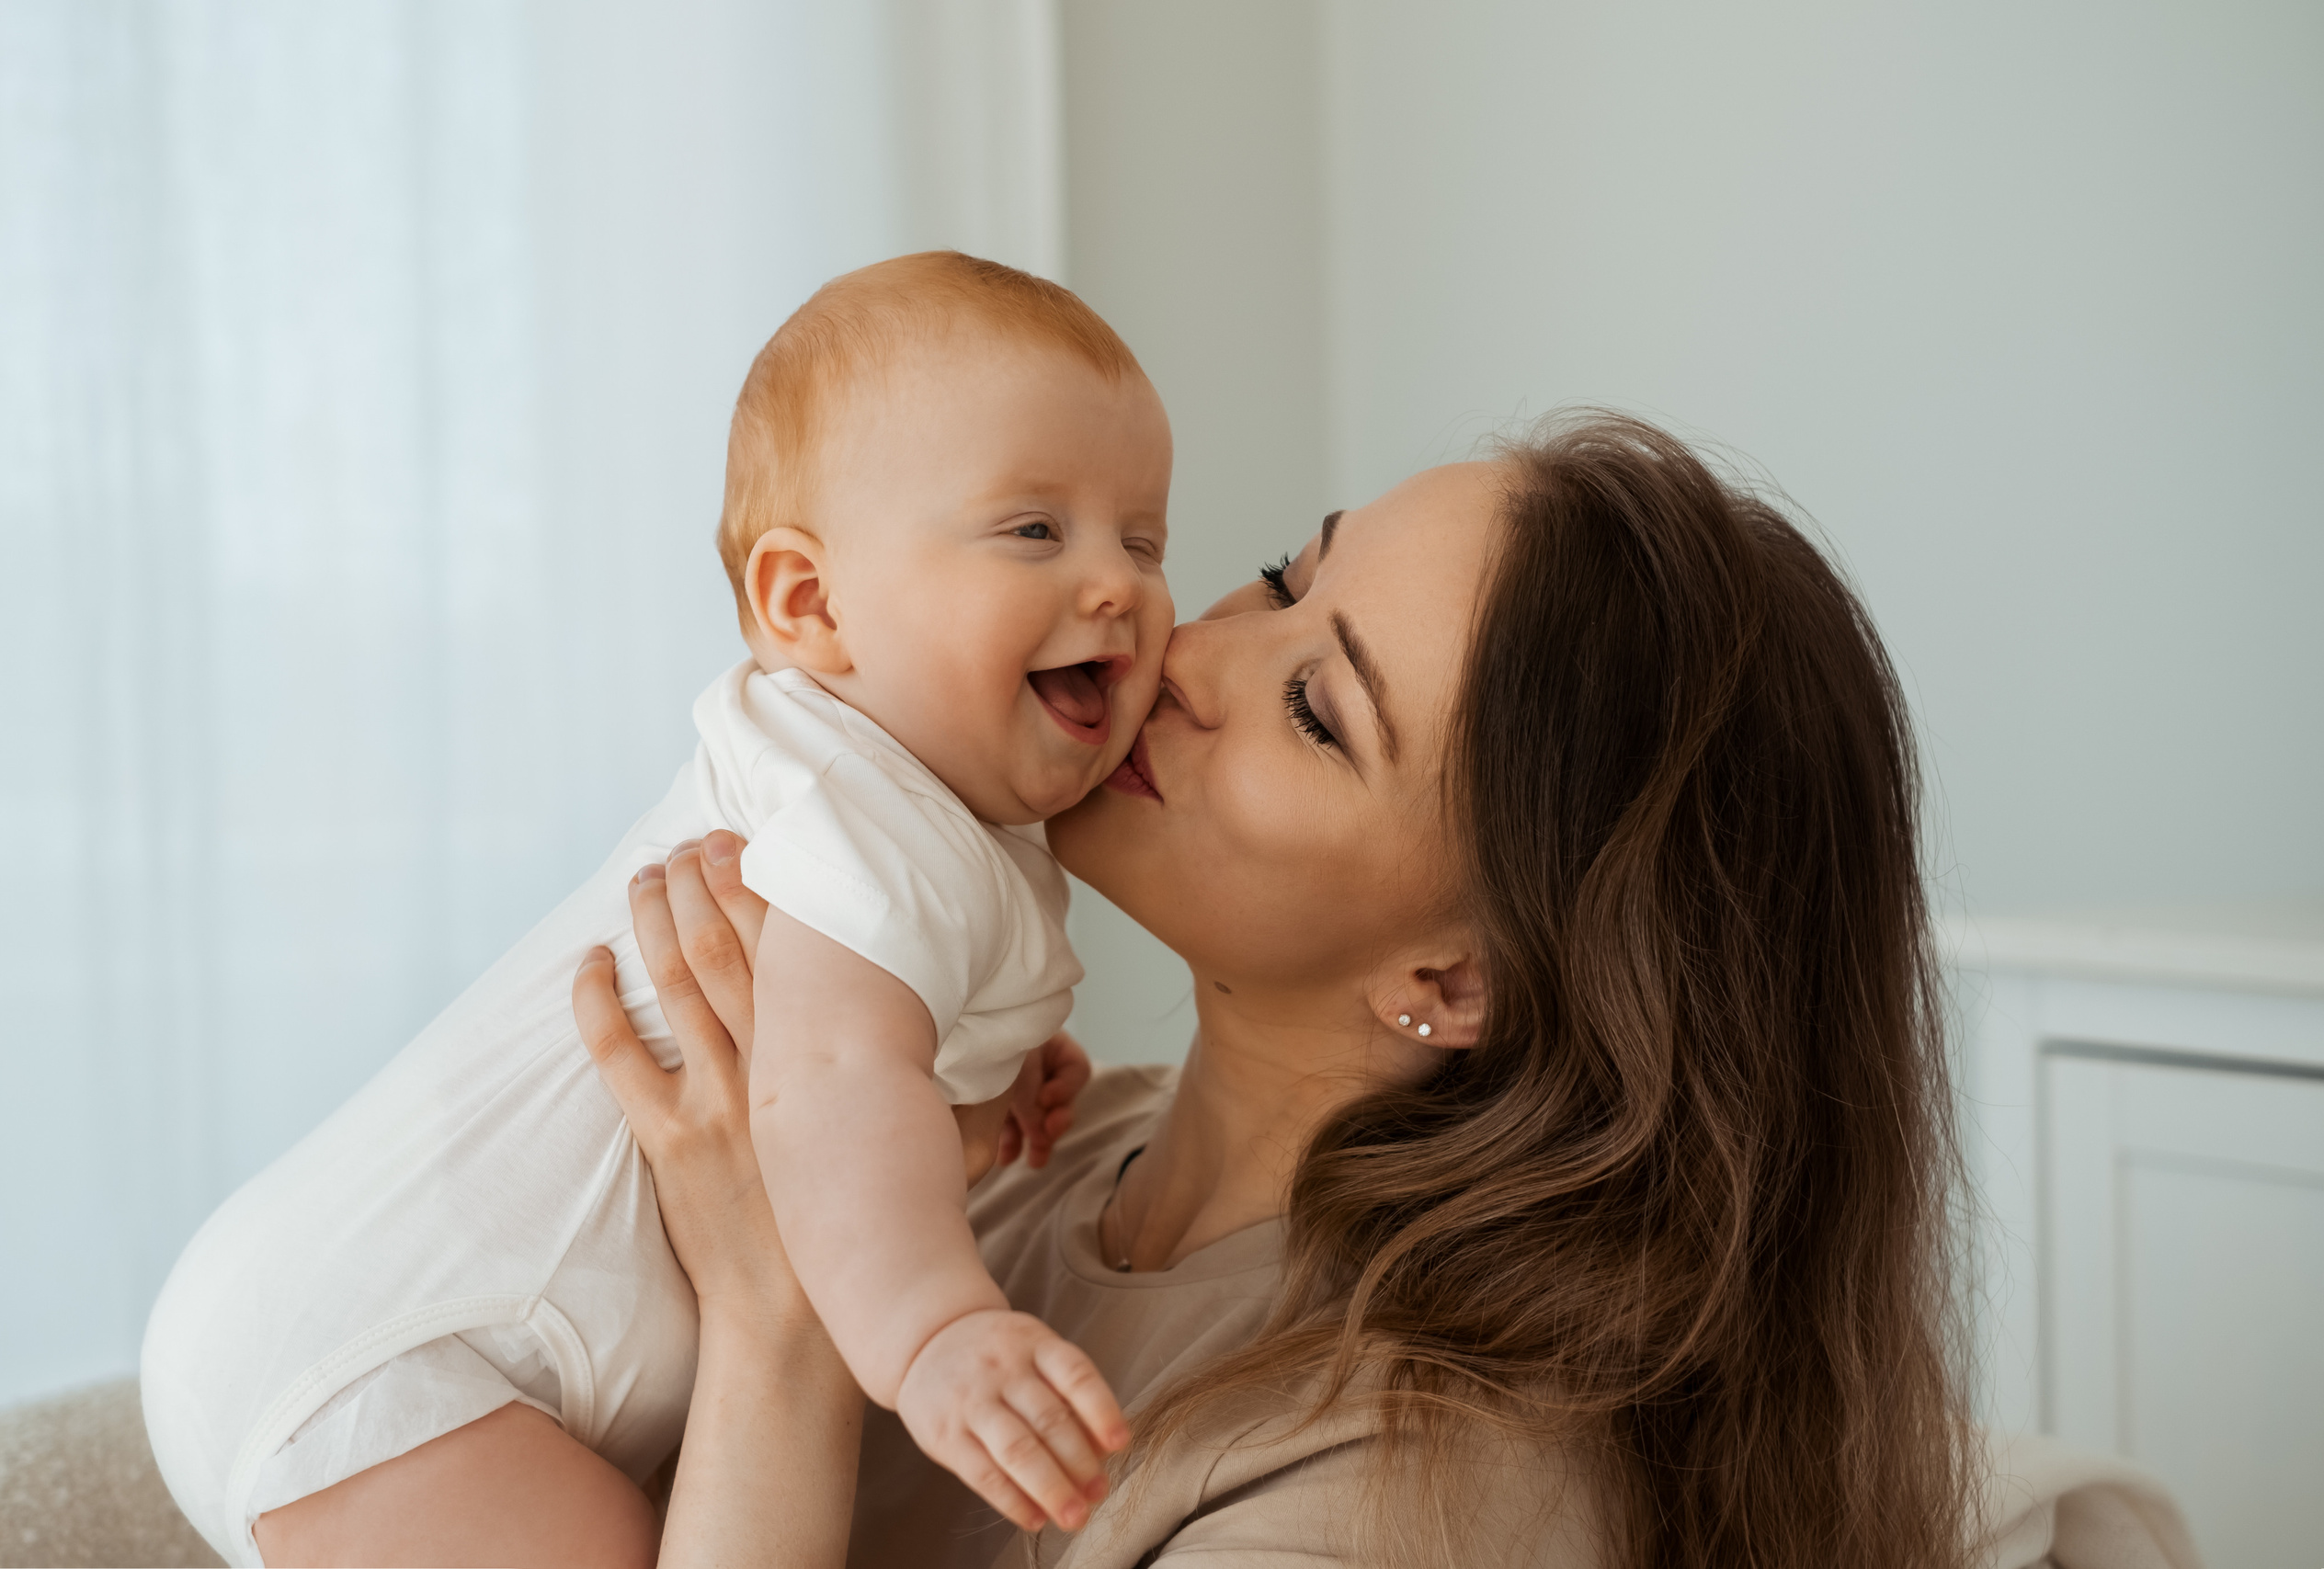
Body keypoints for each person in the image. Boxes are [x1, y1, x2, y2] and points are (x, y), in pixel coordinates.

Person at [539, 413, 1974, 1568]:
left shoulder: (1400, 1496)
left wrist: (780, 1321)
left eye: (1315, 711)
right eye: (1288, 580)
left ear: (1458, 978)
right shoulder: (1001, 1142)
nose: (1189, 654)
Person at [139, 252, 1173, 1567]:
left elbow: (860, 1052)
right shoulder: (864, 812)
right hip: (402, 1360)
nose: (1118, 586)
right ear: (810, 605)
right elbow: (838, 1079)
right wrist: (933, 1331)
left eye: (1144, 539)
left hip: (365, 1319)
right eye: (1036, 531)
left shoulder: (892, 807)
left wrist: (983, 1075)